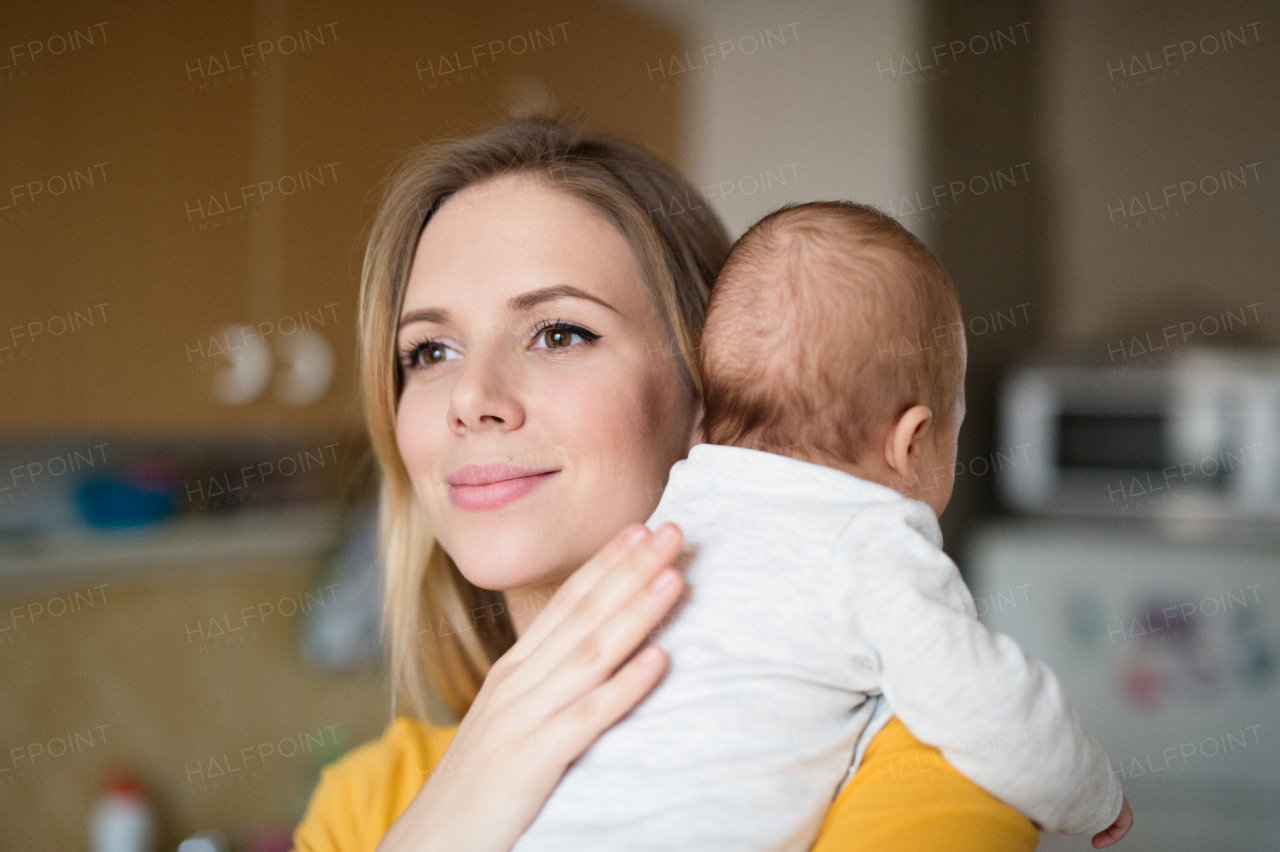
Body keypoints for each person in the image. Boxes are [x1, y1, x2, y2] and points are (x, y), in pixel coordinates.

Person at [290, 117, 1042, 852]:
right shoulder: (368, 801)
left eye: (559, 333)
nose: (469, 395)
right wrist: (443, 821)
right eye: (429, 351)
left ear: (709, 402)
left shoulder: (940, 756)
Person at [510, 201, 1135, 852]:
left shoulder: (675, 511)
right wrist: (1092, 792)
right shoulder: (869, 540)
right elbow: (993, 707)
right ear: (912, 441)